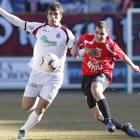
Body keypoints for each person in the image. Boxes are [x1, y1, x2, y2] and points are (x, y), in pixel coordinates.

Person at [0, 2, 75, 139]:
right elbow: (18, 22)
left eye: (56, 14)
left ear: (61, 16)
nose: (53, 16)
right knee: (26, 107)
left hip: (54, 77)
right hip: (37, 74)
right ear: (47, 15)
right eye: (51, 14)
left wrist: (84, 51)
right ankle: (40, 96)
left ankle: (23, 130)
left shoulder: (66, 33)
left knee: (40, 109)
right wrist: (1, 11)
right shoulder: (39, 28)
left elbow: (75, 50)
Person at [71, 21, 140, 137]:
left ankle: (109, 121)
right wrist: (74, 47)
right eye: (96, 33)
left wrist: (133, 66)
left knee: (96, 90)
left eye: (102, 34)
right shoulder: (88, 38)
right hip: (87, 77)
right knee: (98, 116)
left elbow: (123, 56)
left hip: (103, 74)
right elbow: (80, 39)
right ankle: (125, 127)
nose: (98, 36)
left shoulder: (111, 45)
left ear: (107, 34)